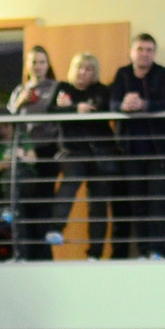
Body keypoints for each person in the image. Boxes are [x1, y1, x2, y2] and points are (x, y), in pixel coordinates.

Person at [107, 33, 165, 260]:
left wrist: (144, 104)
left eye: (149, 50)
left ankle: (157, 251)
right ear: (131, 52)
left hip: (158, 150)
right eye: (140, 49)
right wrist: (124, 105)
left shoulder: (163, 74)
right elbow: (112, 103)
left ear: (154, 53)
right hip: (129, 151)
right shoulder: (122, 74)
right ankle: (144, 250)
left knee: (158, 204)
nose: (144, 54)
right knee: (137, 204)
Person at [7, 46, 68, 261]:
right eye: (33, 62)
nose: (38, 66)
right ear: (27, 65)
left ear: (48, 65)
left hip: (48, 149)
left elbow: (62, 114)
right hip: (25, 151)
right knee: (25, 204)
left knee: (44, 202)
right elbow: (7, 121)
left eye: (42, 62)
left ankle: (44, 257)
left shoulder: (56, 87)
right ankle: (26, 254)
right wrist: (19, 104)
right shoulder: (19, 90)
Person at [55, 52, 117, 260]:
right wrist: (75, 109)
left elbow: (100, 110)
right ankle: (55, 229)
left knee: (98, 204)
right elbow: (50, 111)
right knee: (68, 186)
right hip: (73, 151)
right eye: (80, 67)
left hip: (101, 152)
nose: (84, 72)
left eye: (89, 69)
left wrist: (70, 109)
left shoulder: (102, 90)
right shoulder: (63, 88)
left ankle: (95, 254)